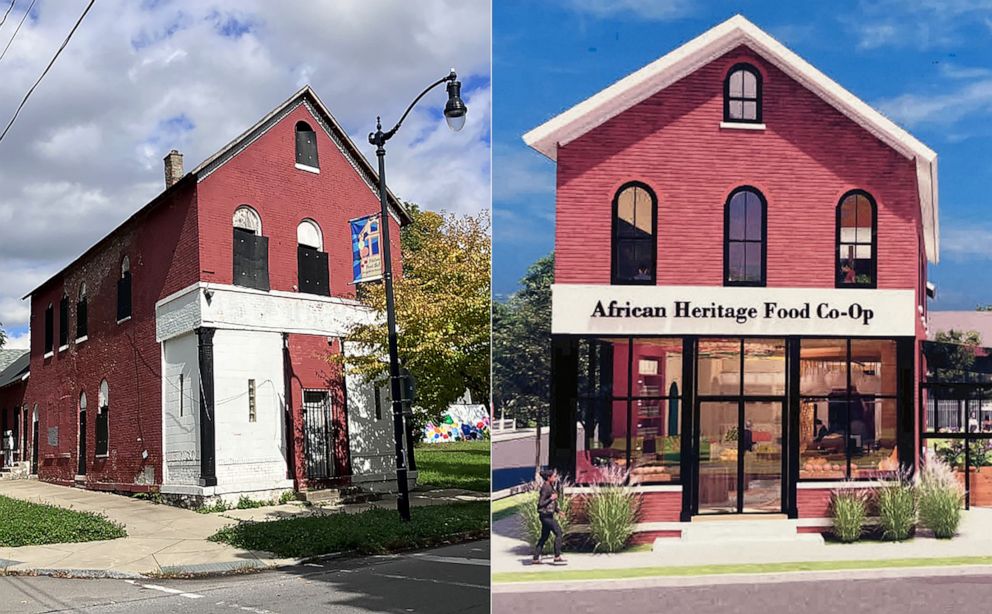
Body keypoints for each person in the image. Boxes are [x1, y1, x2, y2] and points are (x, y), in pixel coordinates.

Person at [532, 469, 566, 565]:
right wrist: (551, 498)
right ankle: (557, 556)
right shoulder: (545, 487)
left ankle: (535, 558)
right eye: (554, 476)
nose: (555, 478)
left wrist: (558, 511)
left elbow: (552, 503)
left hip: (548, 515)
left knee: (544, 537)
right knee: (559, 533)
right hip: (546, 516)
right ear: (548, 478)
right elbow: (540, 504)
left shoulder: (550, 486)